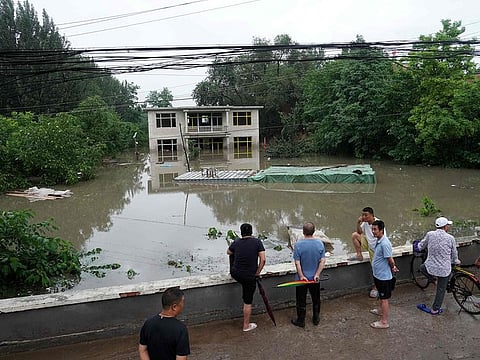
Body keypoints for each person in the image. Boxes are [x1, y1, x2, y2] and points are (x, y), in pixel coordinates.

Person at [416, 216, 460, 315]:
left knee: (422, 268)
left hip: (430, 267)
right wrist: (456, 261)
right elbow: (454, 253)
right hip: (445, 269)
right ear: (445, 227)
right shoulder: (450, 238)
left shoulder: (430, 234)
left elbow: (421, 246)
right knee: (441, 289)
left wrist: (417, 246)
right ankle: (435, 309)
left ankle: (433, 280)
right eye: (448, 225)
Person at [227, 223, 266, 332]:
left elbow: (228, 252)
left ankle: (232, 271)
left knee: (232, 255)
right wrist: (257, 273)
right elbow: (262, 260)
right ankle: (246, 325)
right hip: (249, 276)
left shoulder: (237, 242)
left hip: (236, 273)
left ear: (241, 232)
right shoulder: (257, 242)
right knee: (247, 302)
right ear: (251, 232)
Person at [139, 287, 190, 360]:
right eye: (182, 302)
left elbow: (143, 350)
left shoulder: (148, 324)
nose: (183, 305)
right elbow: (181, 358)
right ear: (174, 307)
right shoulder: (180, 329)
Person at [291, 222, 326, 328]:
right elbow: (322, 261)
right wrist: (317, 274)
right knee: (316, 299)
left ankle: (301, 320)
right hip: (314, 279)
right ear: (314, 231)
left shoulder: (298, 245)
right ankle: (316, 318)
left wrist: (301, 276)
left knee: (301, 300)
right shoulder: (320, 243)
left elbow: (297, 263)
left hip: (301, 279)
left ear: (303, 232)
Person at [348, 206, 385, 298]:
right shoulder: (365, 223)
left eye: (366, 215)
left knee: (376, 269)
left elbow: (383, 238)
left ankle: (376, 287)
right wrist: (358, 222)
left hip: (376, 248)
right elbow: (359, 232)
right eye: (363, 215)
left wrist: (380, 252)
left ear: (372, 215)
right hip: (368, 244)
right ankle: (359, 255)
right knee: (354, 235)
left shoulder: (378, 224)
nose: (364, 217)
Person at [369, 220, 398, 329]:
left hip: (383, 277)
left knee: (384, 298)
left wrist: (393, 267)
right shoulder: (379, 240)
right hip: (378, 274)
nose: (373, 232)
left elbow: (390, 259)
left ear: (381, 230)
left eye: (375, 229)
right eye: (372, 229)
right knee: (381, 296)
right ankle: (380, 310)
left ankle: (384, 322)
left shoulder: (385, 243)